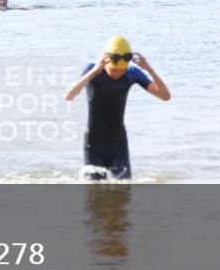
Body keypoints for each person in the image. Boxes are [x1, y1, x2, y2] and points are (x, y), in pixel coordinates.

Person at [65, 36, 171, 181]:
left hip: (118, 145)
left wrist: (149, 69)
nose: (117, 73)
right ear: (105, 60)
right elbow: (69, 95)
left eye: (121, 70)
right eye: (113, 70)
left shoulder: (132, 73)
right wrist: (94, 71)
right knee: (95, 194)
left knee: (123, 192)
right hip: (94, 145)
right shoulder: (93, 70)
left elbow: (165, 96)